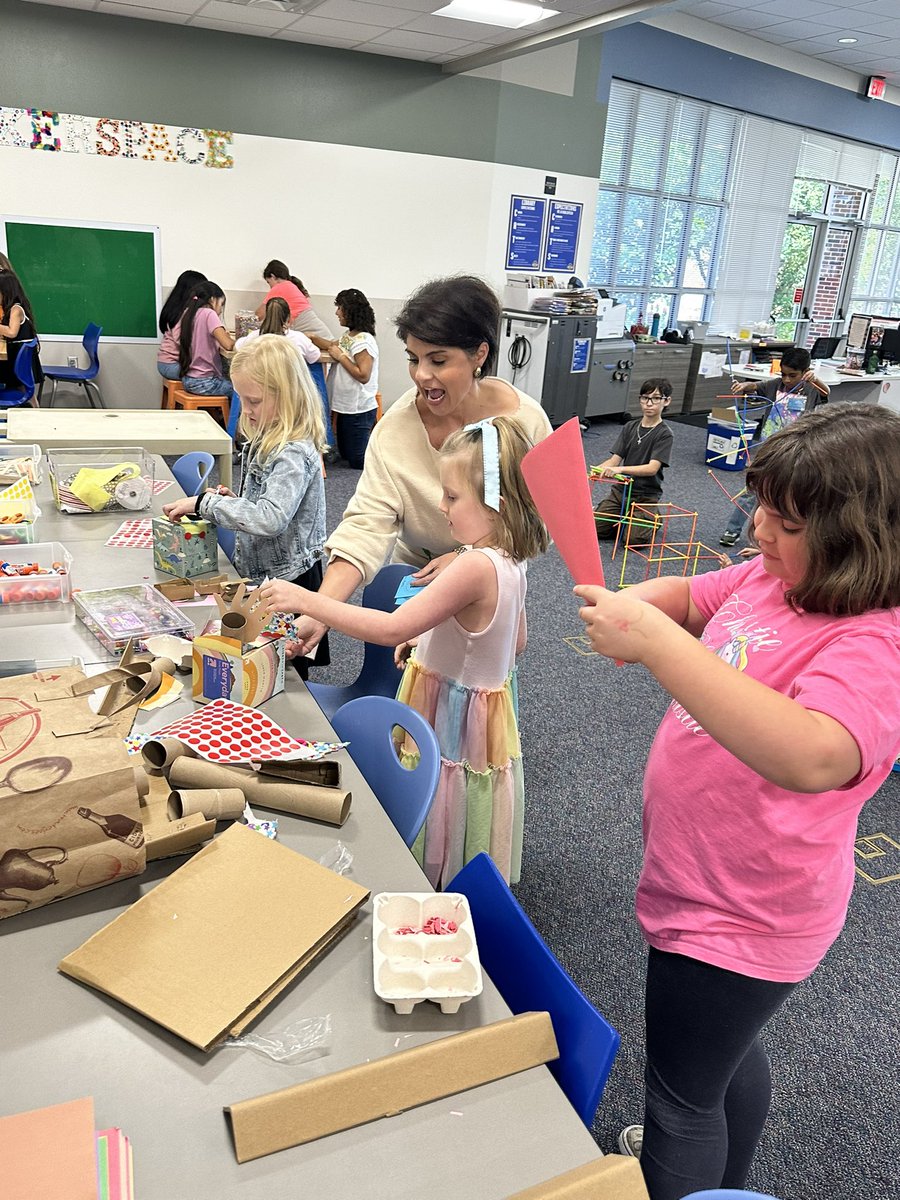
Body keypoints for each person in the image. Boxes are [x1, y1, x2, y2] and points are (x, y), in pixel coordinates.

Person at [574, 403, 900, 1200]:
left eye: (784, 522)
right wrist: (643, 609)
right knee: (718, 1061)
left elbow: (816, 753)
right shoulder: (771, 577)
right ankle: (732, 1183)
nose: (757, 530)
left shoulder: (872, 640)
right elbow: (692, 597)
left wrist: (656, 648)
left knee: (679, 1101)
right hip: (704, 880)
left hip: (745, 912)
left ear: (859, 538)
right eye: (760, 506)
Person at [261, 415, 549, 885]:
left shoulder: (473, 564)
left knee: (440, 788)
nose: (441, 506)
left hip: (451, 709)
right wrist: (431, 640)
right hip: (483, 708)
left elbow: (392, 628)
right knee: (463, 794)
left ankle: (426, 883)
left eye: (453, 497)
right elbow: (515, 641)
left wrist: (309, 599)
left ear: (496, 503)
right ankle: (460, 880)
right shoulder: (511, 561)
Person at [284, 274, 553, 660]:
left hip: (489, 581)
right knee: (411, 686)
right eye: (414, 358)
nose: (422, 375)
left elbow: (539, 525)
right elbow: (366, 523)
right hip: (416, 578)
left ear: (479, 354)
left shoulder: (525, 424)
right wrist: (320, 611)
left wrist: (468, 558)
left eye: (438, 360)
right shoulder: (396, 429)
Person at [163, 335, 330, 679]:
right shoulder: (266, 437)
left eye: (253, 401)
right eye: (242, 399)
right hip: (262, 574)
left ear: (286, 396)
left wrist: (206, 503)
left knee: (286, 667)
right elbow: (262, 504)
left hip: (290, 581)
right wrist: (234, 502)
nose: (246, 410)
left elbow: (270, 518)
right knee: (258, 662)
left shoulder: (293, 453)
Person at [720, 347, 830, 547]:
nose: (787, 380)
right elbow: (756, 386)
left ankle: (776, 538)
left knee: (786, 496)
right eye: (784, 374)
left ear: (806, 371)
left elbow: (826, 392)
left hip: (797, 451)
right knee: (752, 491)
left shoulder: (811, 388)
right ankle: (732, 530)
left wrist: (815, 380)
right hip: (769, 448)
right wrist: (743, 386)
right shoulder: (775, 385)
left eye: (792, 375)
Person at [594, 378, 674, 542]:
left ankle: (653, 518)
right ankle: (622, 516)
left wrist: (621, 470)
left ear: (666, 401)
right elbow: (614, 460)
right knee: (594, 529)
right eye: (645, 398)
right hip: (621, 493)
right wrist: (596, 469)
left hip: (644, 496)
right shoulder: (630, 426)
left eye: (656, 398)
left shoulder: (665, 433)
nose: (649, 403)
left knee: (632, 541)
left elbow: (652, 468)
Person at [313, 288, 378, 469]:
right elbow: (333, 346)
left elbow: (364, 375)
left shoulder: (363, 340)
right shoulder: (349, 336)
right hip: (346, 408)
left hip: (358, 409)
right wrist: (311, 337)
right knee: (346, 454)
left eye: (340, 308)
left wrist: (340, 356)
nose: (337, 313)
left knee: (357, 461)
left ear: (350, 311)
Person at [177, 281, 235, 398]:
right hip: (206, 382)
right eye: (221, 304)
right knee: (240, 391)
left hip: (188, 379)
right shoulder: (209, 314)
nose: (220, 311)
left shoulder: (188, 313)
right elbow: (228, 345)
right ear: (213, 300)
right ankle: (235, 417)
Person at [256, 259, 332, 340]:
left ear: (273, 276)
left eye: (269, 282)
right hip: (318, 332)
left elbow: (259, 315)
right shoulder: (292, 286)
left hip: (309, 330)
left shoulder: (279, 287)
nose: (270, 287)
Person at [236, 296, 320, 365]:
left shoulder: (254, 336)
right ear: (289, 317)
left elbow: (237, 347)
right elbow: (315, 356)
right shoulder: (299, 338)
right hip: (290, 384)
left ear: (266, 317)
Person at [157, 269, 207, 381]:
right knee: (209, 375)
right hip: (172, 365)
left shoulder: (179, 310)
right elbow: (182, 340)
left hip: (168, 363)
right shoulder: (183, 314)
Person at [0, 269, 43, 394]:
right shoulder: (12, 308)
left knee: (23, 388)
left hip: (19, 362)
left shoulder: (16, 309)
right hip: (17, 359)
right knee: (25, 390)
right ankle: (34, 408)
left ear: (6, 292)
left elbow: (11, 332)